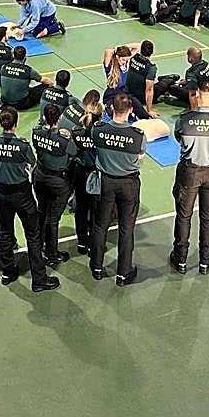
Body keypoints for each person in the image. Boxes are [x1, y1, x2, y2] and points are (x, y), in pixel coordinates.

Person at [0, 107, 59, 291]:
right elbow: (32, 164)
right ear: (15, 124)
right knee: (33, 235)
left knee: (5, 232)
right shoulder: (22, 146)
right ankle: (39, 280)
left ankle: (7, 272)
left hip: (1, 193)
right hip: (21, 194)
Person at [170, 80, 209, 275]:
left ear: (197, 95)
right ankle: (205, 260)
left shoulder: (185, 120)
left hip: (190, 171)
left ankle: (180, 258)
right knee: (208, 217)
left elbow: (179, 138)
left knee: (184, 216)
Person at [89, 93, 145, 285]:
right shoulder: (137, 135)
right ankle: (123, 273)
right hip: (128, 184)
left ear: (111, 108)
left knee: (100, 225)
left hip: (105, 182)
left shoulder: (98, 129)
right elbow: (141, 154)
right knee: (126, 228)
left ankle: (96, 267)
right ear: (130, 110)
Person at [32, 104, 75, 267]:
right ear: (60, 118)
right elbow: (74, 153)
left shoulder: (36, 132)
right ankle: (52, 254)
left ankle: (38, 245)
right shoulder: (65, 139)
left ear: (44, 117)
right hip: (57, 182)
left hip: (39, 176)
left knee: (42, 211)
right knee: (53, 219)